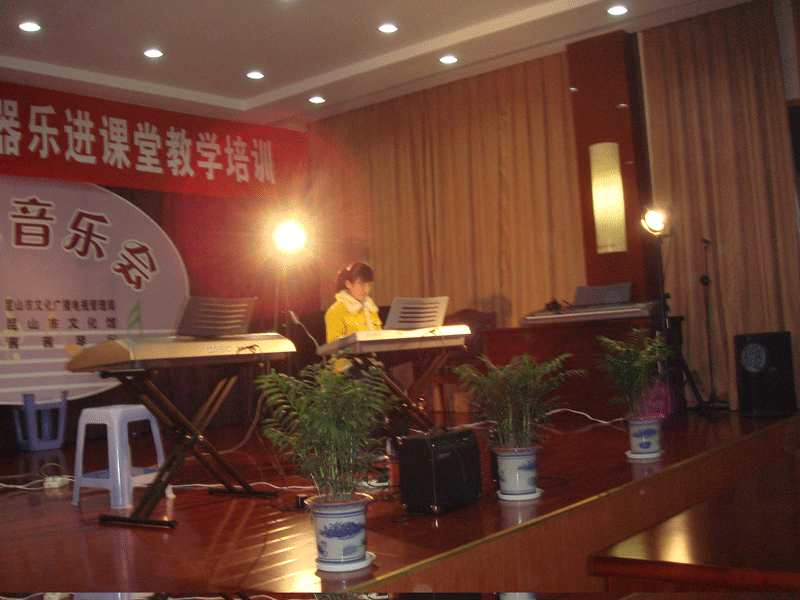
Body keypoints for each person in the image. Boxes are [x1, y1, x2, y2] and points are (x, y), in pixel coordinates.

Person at [324, 262, 382, 343]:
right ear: (348, 284)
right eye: (362, 285)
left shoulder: (371, 310)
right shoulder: (335, 311)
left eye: (369, 285)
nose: (366, 290)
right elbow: (335, 347)